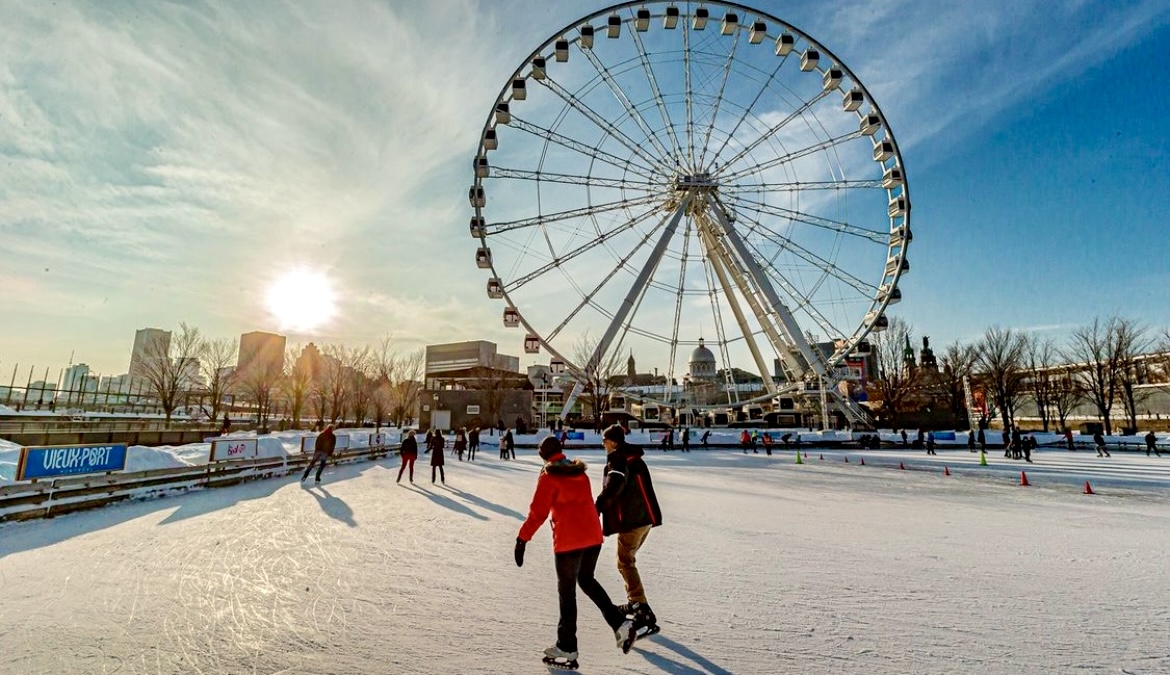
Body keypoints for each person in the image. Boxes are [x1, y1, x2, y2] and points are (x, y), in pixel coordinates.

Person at [515, 436, 636, 669]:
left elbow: (537, 513)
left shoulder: (549, 477)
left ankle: (567, 646)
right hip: (591, 537)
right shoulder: (578, 471)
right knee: (587, 580)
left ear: (544, 454)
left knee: (567, 593)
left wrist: (522, 540)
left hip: (569, 542)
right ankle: (621, 624)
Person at [596, 424, 663, 639]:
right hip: (645, 518)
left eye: (605, 440)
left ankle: (641, 608)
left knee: (624, 561)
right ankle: (636, 603)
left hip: (634, 520)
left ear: (613, 441)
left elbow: (614, 486)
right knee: (626, 559)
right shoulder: (633, 457)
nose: (602, 444)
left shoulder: (618, 458)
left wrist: (597, 506)